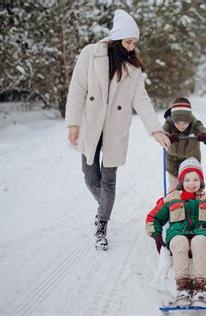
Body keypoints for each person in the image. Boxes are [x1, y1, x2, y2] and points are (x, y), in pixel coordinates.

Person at [65, 9, 170, 251]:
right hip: (92, 124)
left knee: (109, 180)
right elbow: (77, 88)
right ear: (116, 39)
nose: (132, 47)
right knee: (90, 176)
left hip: (115, 129)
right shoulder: (90, 54)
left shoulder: (133, 69)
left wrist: (155, 130)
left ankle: (102, 224)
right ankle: (104, 206)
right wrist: (73, 123)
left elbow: (141, 100)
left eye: (135, 43)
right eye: (129, 42)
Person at [145, 157, 206, 307]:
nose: (191, 184)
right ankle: (182, 288)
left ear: (201, 181)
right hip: (177, 236)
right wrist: (156, 236)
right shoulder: (171, 199)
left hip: (203, 236)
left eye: (195, 180)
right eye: (187, 180)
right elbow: (152, 218)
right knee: (179, 240)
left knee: (199, 240)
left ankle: (200, 289)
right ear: (181, 182)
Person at [163, 97, 206, 191]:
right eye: (177, 123)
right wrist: (167, 137)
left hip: (191, 160)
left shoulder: (195, 124)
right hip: (173, 160)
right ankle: (174, 203)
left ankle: (194, 203)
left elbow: (205, 130)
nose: (181, 126)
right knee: (174, 187)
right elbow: (162, 133)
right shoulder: (169, 124)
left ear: (189, 120)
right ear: (173, 120)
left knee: (191, 186)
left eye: (185, 123)